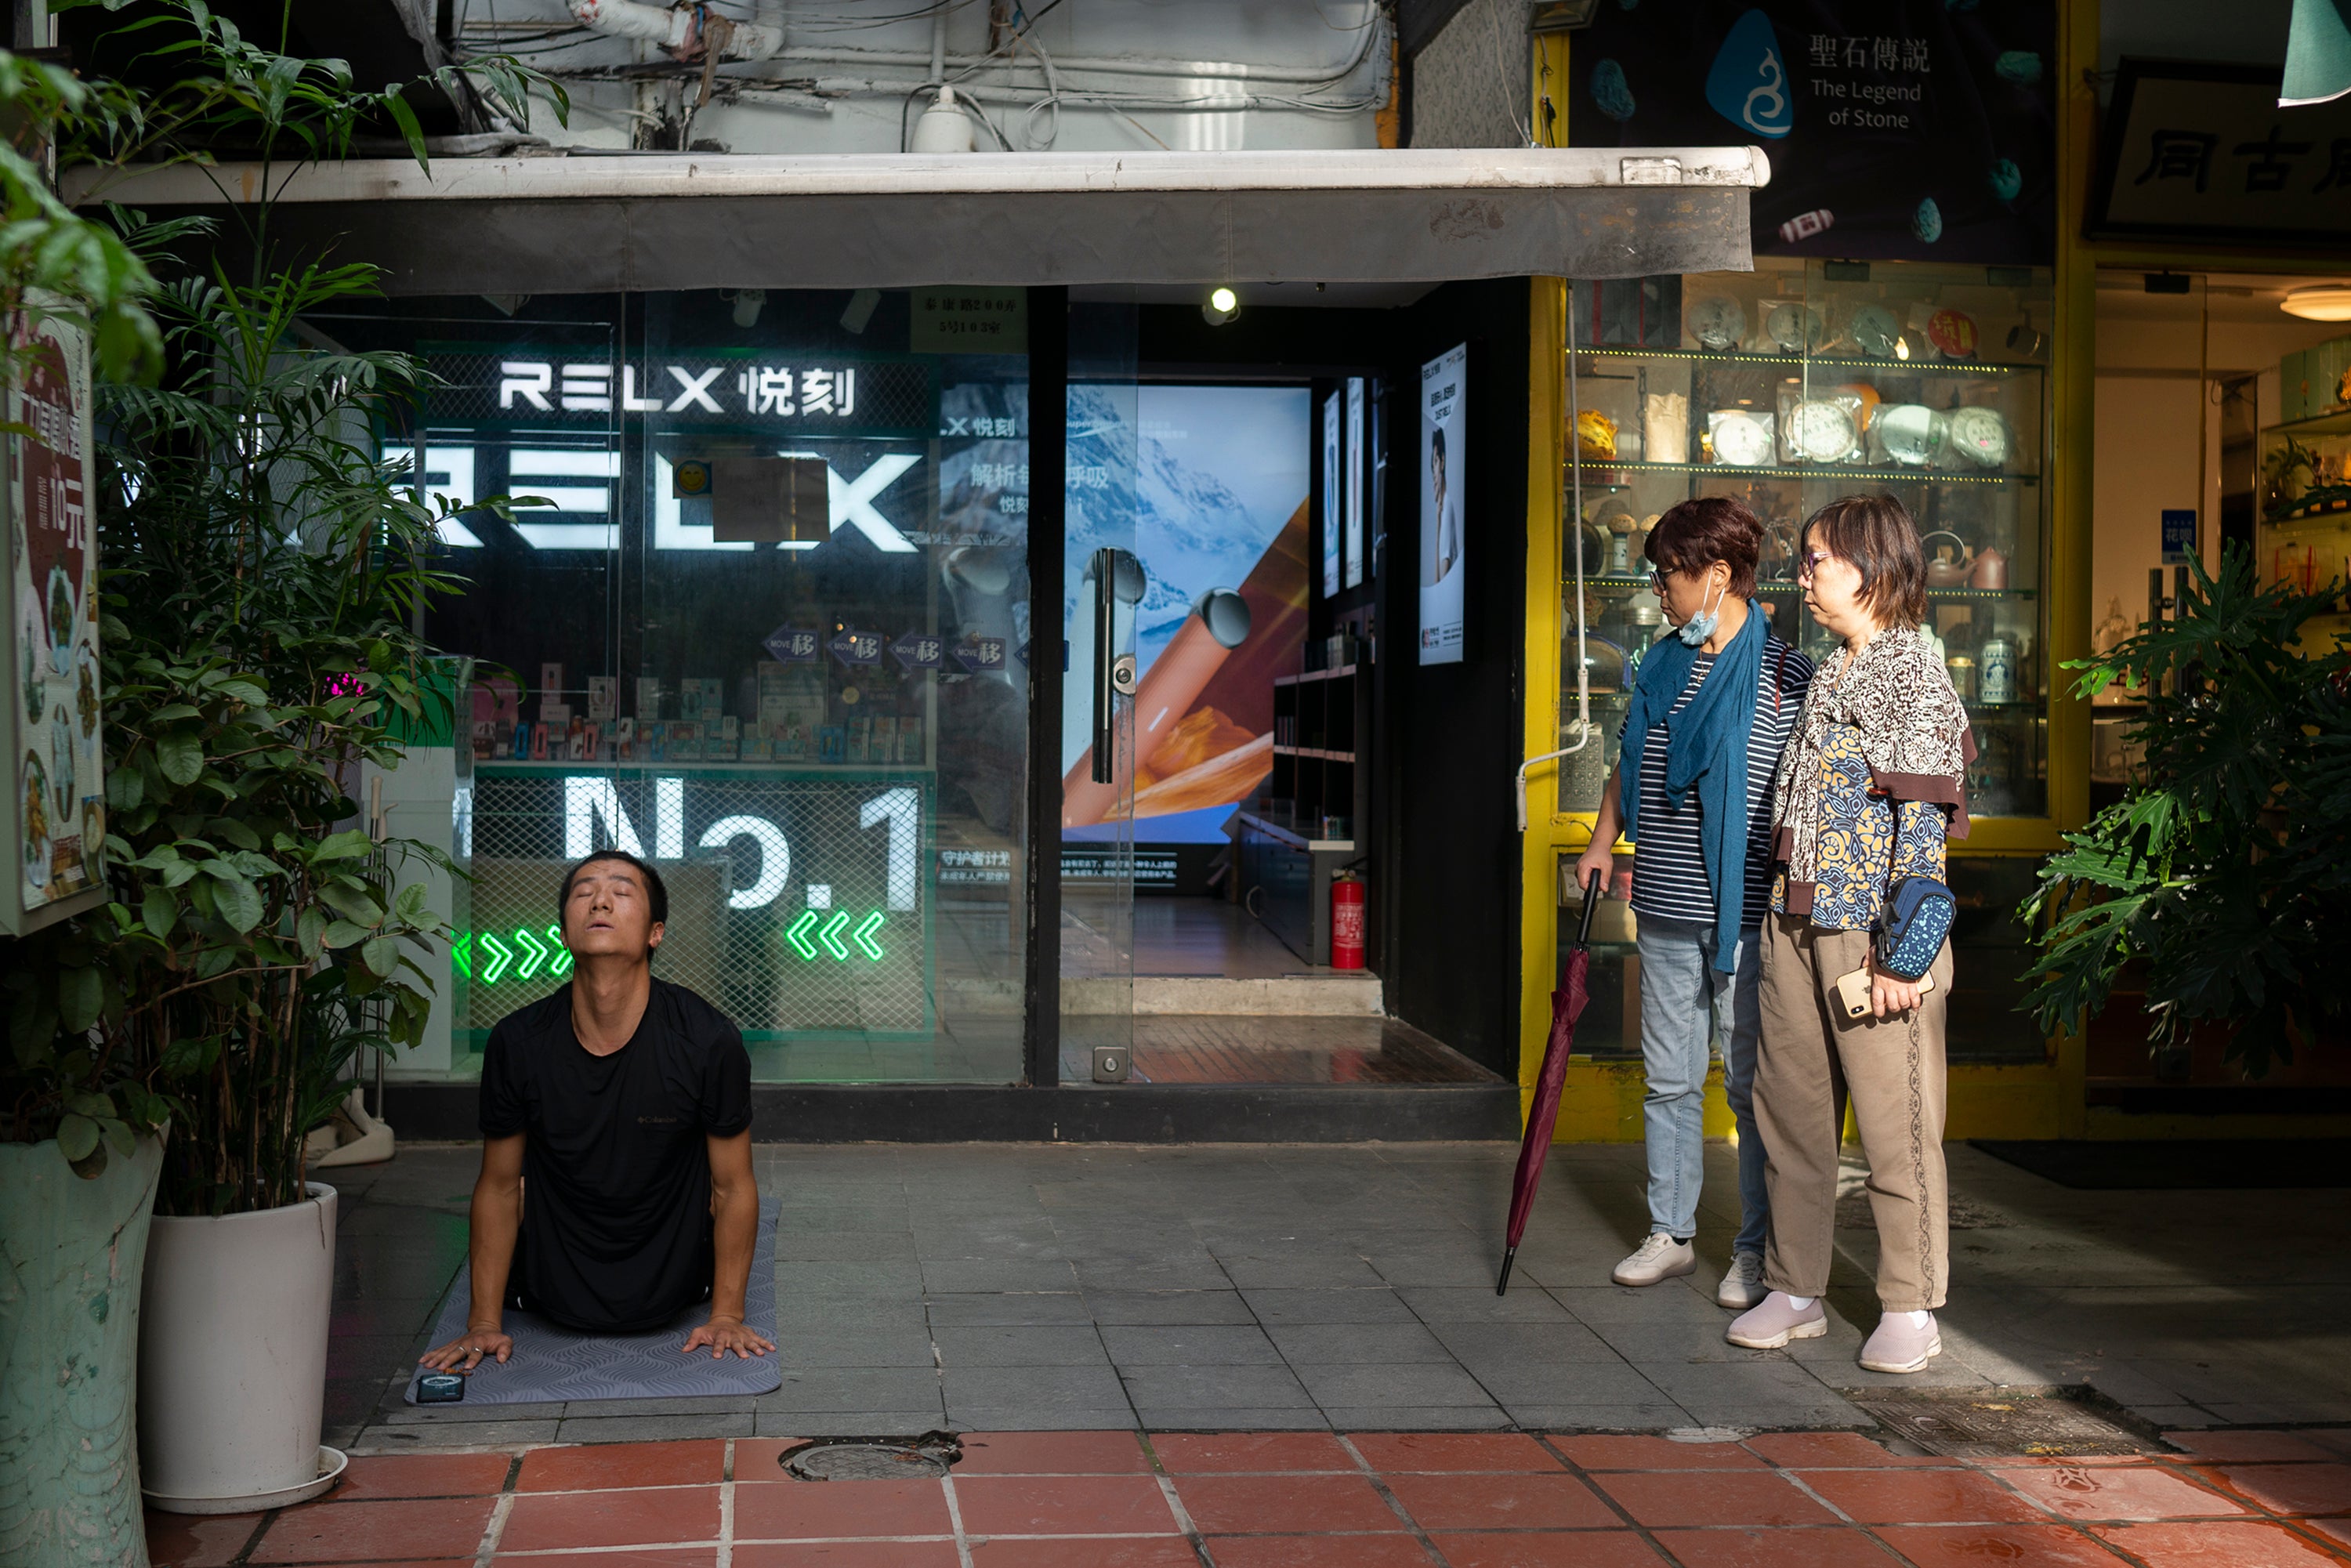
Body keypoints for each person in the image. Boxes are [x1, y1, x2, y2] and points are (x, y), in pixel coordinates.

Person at [1727, 494, 1972, 1375]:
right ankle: (1796, 1288)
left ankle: (1912, 1304)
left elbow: (1926, 818)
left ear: (1872, 569)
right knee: (1789, 1111)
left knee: (1895, 1122)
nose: (1806, 575)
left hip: (1870, 933)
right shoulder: (1834, 668)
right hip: (1796, 919)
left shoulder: (1912, 671)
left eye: (1818, 559)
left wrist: (1905, 955)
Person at [1575, 497, 1813, 1307]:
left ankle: (1754, 1252)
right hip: (1667, 908)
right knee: (1670, 1080)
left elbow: (1800, 796)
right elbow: (1629, 763)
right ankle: (1672, 1233)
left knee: (1748, 1089)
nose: (1659, 590)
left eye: (1668, 574)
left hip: (1745, 920)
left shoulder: (1785, 673)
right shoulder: (1660, 663)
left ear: (1717, 576)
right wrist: (1605, 842)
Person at [419, 850, 774, 1373]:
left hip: (675, 1288)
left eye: (622, 891)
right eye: (583, 892)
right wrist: (483, 1322)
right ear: (563, 932)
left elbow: (733, 1186)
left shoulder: (708, 1040)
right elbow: (498, 1185)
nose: (601, 899)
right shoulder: (517, 1042)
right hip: (547, 1292)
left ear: (655, 933)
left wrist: (727, 1312)